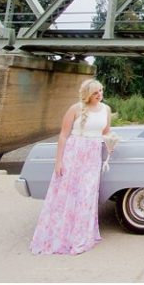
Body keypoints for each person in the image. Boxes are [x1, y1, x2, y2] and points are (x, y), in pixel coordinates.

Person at [30, 78, 112, 255]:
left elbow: (106, 132)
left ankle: (81, 235)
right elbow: (63, 135)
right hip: (74, 153)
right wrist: (59, 161)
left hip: (93, 156)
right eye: (95, 92)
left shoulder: (106, 109)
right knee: (67, 194)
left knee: (87, 194)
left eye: (101, 91)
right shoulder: (75, 108)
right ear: (87, 94)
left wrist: (112, 143)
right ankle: (61, 235)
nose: (99, 95)